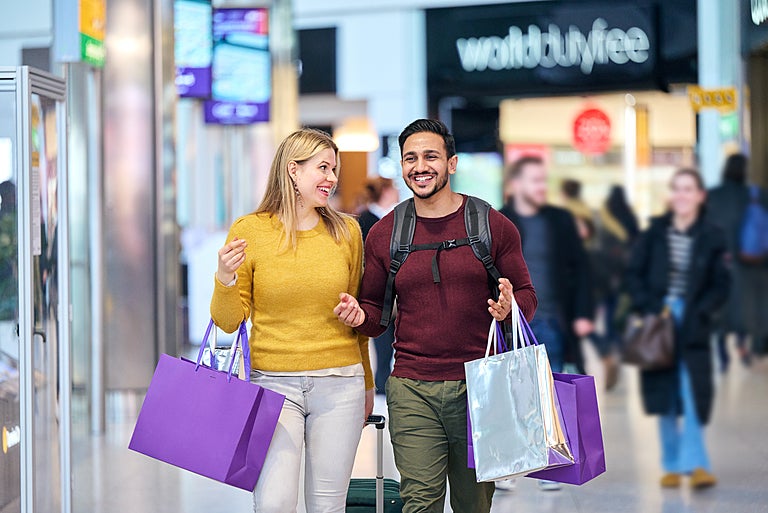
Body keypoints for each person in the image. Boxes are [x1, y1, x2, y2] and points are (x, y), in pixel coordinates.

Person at [334, 119, 537, 513]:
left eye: (430, 156)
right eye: (410, 158)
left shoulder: (492, 225)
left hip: (481, 387)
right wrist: (359, 316)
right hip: (411, 387)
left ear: (452, 163)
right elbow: (377, 316)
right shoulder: (387, 233)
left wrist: (512, 307)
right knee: (420, 503)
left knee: (472, 503)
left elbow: (527, 294)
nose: (419, 166)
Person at [210, 128, 375, 513]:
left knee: (327, 507)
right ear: (292, 171)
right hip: (273, 385)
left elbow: (357, 322)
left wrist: (367, 382)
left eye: (334, 169)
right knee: (274, 504)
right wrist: (224, 278)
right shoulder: (250, 230)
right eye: (322, 168)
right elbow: (229, 321)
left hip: (341, 386)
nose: (332, 178)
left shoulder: (347, 232)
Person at [625, 168, 729, 489]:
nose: (682, 195)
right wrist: (649, 307)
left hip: (693, 318)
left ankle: (697, 464)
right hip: (661, 316)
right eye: (677, 189)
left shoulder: (712, 236)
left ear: (700, 195)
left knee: (692, 390)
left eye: (689, 189)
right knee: (665, 392)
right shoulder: (654, 232)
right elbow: (634, 274)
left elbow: (721, 283)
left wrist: (703, 311)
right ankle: (671, 464)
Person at [500, 157, 595, 377]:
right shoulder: (499, 221)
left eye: (544, 181)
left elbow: (581, 268)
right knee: (517, 396)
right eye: (535, 181)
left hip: (553, 322)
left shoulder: (560, 220)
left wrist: (583, 313)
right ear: (516, 184)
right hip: (514, 324)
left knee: (552, 398)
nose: (543, 187)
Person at [706, 153, 768, 367]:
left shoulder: (713, 195)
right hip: (749, 264)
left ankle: (722, 347)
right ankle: (743, 345)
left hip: (720, 260)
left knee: (722, 307)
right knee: (745, 307)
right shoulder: (755, 195)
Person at [593, 185, 639, 390]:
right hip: (625, 274)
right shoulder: (629, 217)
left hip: (605, 275)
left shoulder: (605, 217)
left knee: (608, 314)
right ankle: (618, 347)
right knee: (620, 313)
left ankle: (609, 349)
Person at [357, 177, 400, 394]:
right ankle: (381, 381)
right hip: (378, 289)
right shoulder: (365, 219)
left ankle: (386, 379)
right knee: (381, 337)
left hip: (397, 289)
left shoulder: (398, 218)